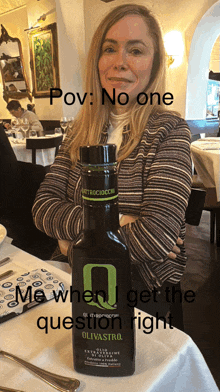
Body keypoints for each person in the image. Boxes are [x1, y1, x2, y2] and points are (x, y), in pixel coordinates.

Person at [32, 4, 192, 329]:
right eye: (110, 48)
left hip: (139, 287)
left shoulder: (170, 130)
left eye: (136, 50)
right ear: (97, 59)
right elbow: (42, 208)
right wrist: (119, 221)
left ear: (155, 63)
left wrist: (71, 244)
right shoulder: (79, 130)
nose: (120, 62)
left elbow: (156, 238)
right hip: (70, 277)